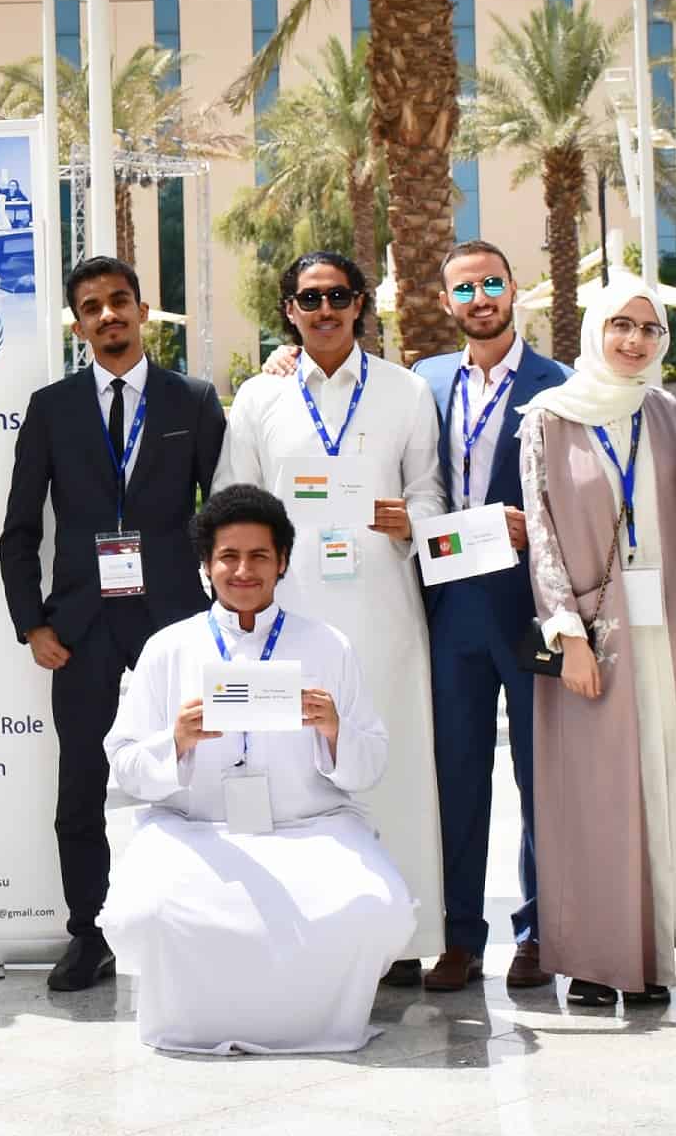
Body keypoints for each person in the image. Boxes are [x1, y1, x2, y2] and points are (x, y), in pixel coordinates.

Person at [101, 484, 416, 1054]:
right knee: (143, 911)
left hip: (309, 827)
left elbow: (371, 762)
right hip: (194, 829)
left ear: (283, 564)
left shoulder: (327, 645)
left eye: (259, 556)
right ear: (206, 566)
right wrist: (177, 741)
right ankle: (193, 1027)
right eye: (228, 556)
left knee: (377, 906)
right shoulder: (168, 648)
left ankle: (322, 1025)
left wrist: (333, 729)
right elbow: (124, 763)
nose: (243, 570)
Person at [0, 255, 228, 993]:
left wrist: (222, 618)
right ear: (77, 322)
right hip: (82, 627)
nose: (107, 316)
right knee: (81, 786)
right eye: (91, 306)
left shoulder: (191, 399)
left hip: (174, 622)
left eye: (119, 301)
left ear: (142, 308)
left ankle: (203, 923)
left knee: (197, 774)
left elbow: (223, 510)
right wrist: (30, 622)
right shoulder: (52, 407)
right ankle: (86, 932)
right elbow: (18, 529)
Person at [220, 250, 446, 979]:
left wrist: (408, 519)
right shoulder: (260, 397)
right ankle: (302, 931)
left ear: (361, 304)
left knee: (393, 762)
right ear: (289, 309)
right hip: (292, 614)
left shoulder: (407, 392)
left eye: (338, 296)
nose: (325, 310)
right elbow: (236, 500)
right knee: (297, 768)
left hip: (383, 608)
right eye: (309, 299)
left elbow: (433, 497)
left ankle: (400, 934)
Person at [519, 277, 676, 1006]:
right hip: (592, 634)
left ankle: (665, 952)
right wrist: (564, 633)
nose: (634, 341)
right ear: (594, 330)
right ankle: (602, 961)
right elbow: (539, 530)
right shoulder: (550, 415)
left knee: (666, 788)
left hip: (666, 628)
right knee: (596, 795)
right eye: (620, 326)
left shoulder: (664, 412)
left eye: (648, 329)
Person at [408, 241, 566, 992]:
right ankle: (459, 936)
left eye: (492, 283)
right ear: (446, 302)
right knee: (458, 777)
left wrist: (535, 524)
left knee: (543, 777)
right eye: (465, 288)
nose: (481, 297)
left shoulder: (556, 384)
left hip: (529, 609)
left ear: (515, 292)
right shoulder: (424, 381)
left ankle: (539, 932)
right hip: (450, 609)